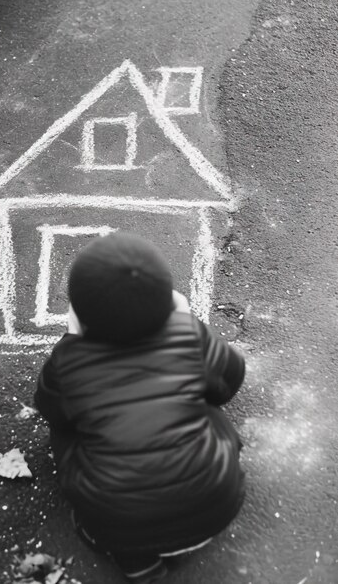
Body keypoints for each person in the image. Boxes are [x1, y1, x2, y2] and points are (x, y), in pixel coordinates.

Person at [34, 232, 246, 584]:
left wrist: (72, 341)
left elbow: (48, 408)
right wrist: (186, 324)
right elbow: (230, 381)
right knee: (206, 406)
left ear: (78, 315)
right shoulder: (189, 334)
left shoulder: (69, 361)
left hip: (122, 529)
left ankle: (136, 562)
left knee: (62, 429)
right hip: (218, 506)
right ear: (169, 301)